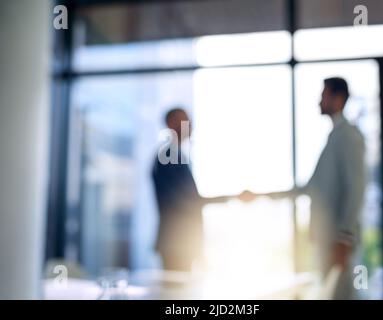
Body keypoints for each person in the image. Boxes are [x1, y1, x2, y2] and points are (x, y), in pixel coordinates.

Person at [244, 77, 366, 299]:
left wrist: (345, 238)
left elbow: (356, 188)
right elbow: (310, 189)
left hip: (339, 243)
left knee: (345, 295)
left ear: (338, 99)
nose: (319, 101)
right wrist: (260, 195)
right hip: (329, 240)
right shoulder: (334, 138)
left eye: (324, 95)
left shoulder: (349, 136)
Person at [152, 108, 232, 272]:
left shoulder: (175, 155)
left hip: (181, 242)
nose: (190, 124)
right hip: (177, 242)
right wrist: (231, 197)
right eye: (184, 120)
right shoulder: (168, 156)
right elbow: (187, 201)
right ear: (171, 124)